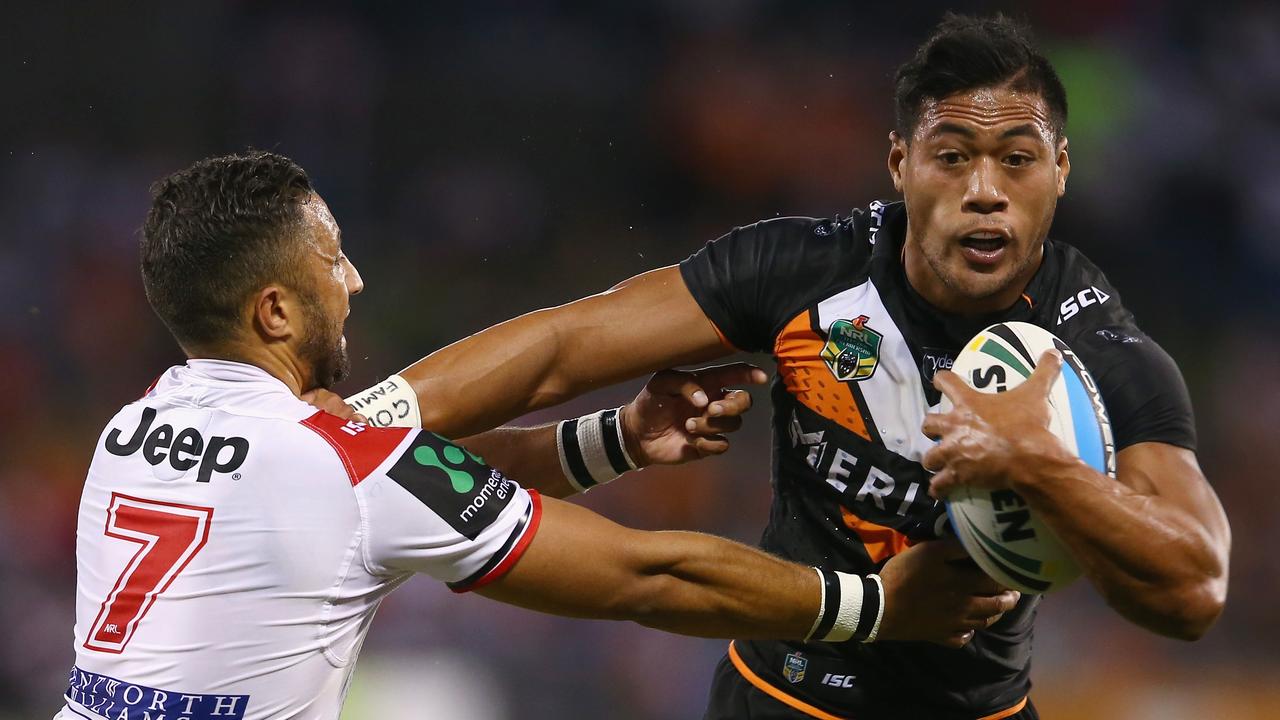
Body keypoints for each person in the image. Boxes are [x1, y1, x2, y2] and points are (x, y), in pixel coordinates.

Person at [349, 14, 1231, 720]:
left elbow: (1193, 591)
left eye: (1017, 159)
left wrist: (1033, 461)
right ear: (901, 164)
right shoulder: (807, 267)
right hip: (781, 697)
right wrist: (356, 420)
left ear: (1061, 171)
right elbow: (562, 348)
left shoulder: (1092, 339)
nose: (985, 189)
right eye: (953, 155)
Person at [58, 152, 1016, 720]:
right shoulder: (347, 465)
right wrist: (870, 607)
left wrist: (619, 439)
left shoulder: (135, 423)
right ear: (273, 311)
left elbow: (413, 477)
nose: (352, 280)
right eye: (330, 260)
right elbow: (650, 578)